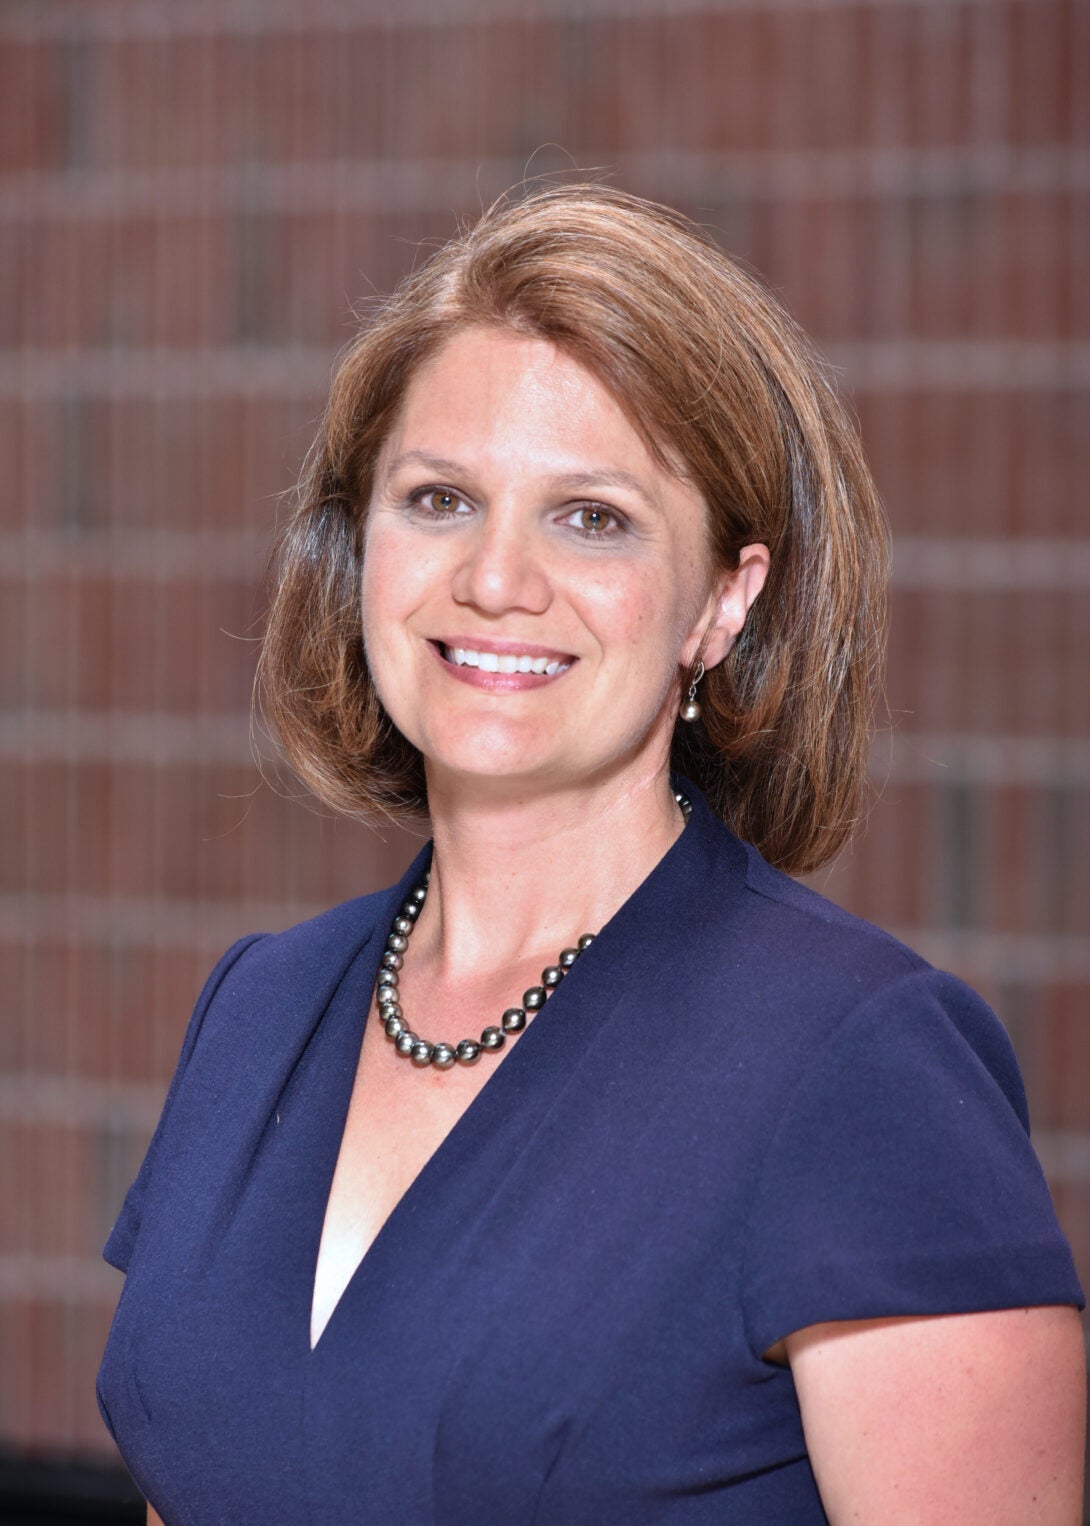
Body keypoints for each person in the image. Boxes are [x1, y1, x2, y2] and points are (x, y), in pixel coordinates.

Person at [97, 183, 1086, 1524]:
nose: (495, 577)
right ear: (360, 545)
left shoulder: (859, 1063)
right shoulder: (256, 1010)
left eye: (592, 517)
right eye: (439, 498)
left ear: (723, 600)